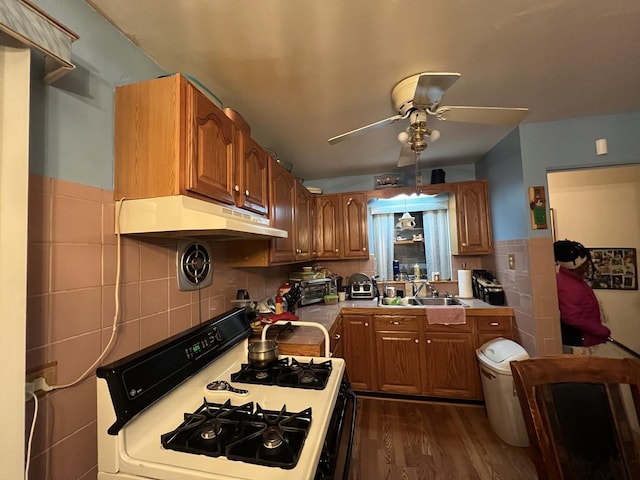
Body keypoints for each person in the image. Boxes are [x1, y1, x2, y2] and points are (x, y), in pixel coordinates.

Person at [554, 239, 610, 351]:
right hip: (579, 342)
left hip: (584, 340)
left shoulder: (574, 281)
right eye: (586, 264)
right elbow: (572, 317)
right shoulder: (568, 285)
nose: (588, 266)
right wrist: (601, 331)